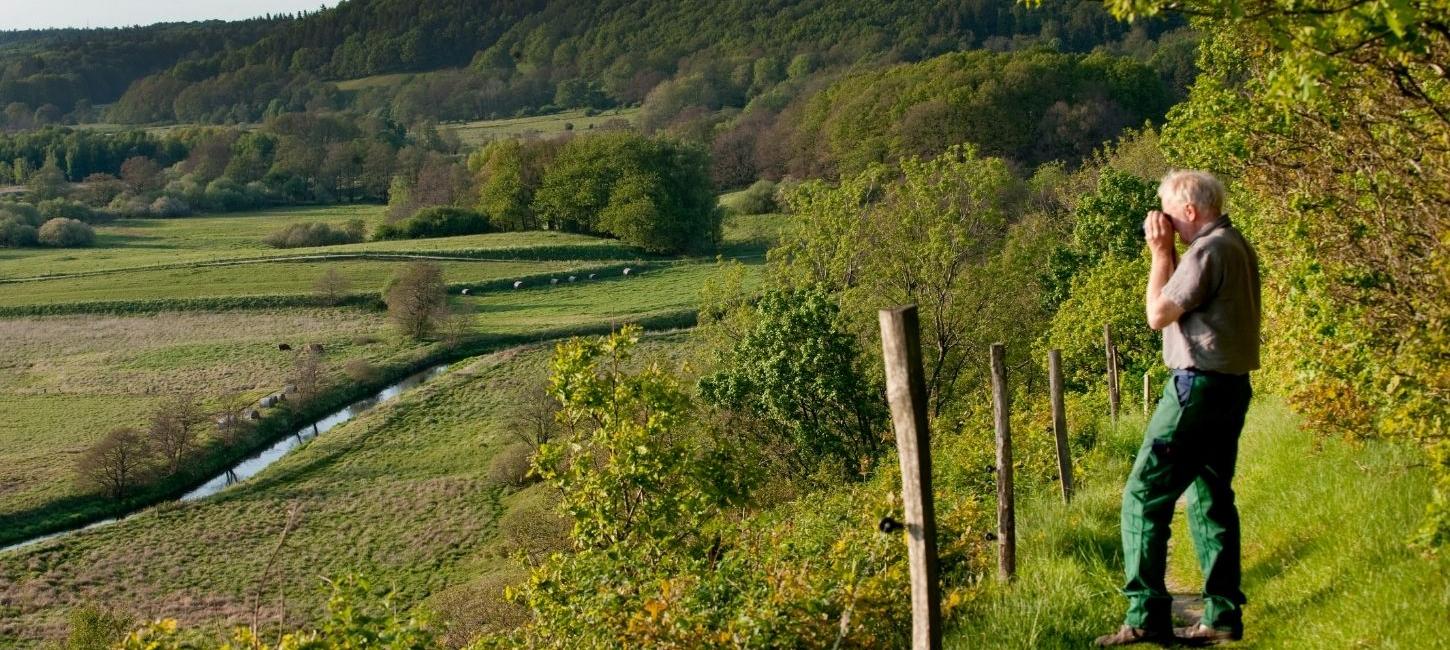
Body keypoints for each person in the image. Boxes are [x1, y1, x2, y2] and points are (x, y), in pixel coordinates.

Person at [1095, 170, 1262, 646]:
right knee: (1210, 499)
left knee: (1143, 495)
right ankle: (1222, 617)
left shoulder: (1206, 251)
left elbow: (1157, 314)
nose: (1161, 222)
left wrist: (1161, 254)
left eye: (1167, 213)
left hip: (1197, 387)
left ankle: (1145, 614)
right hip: (1231, 387)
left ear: (1189, 211)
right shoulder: (1237, 243)